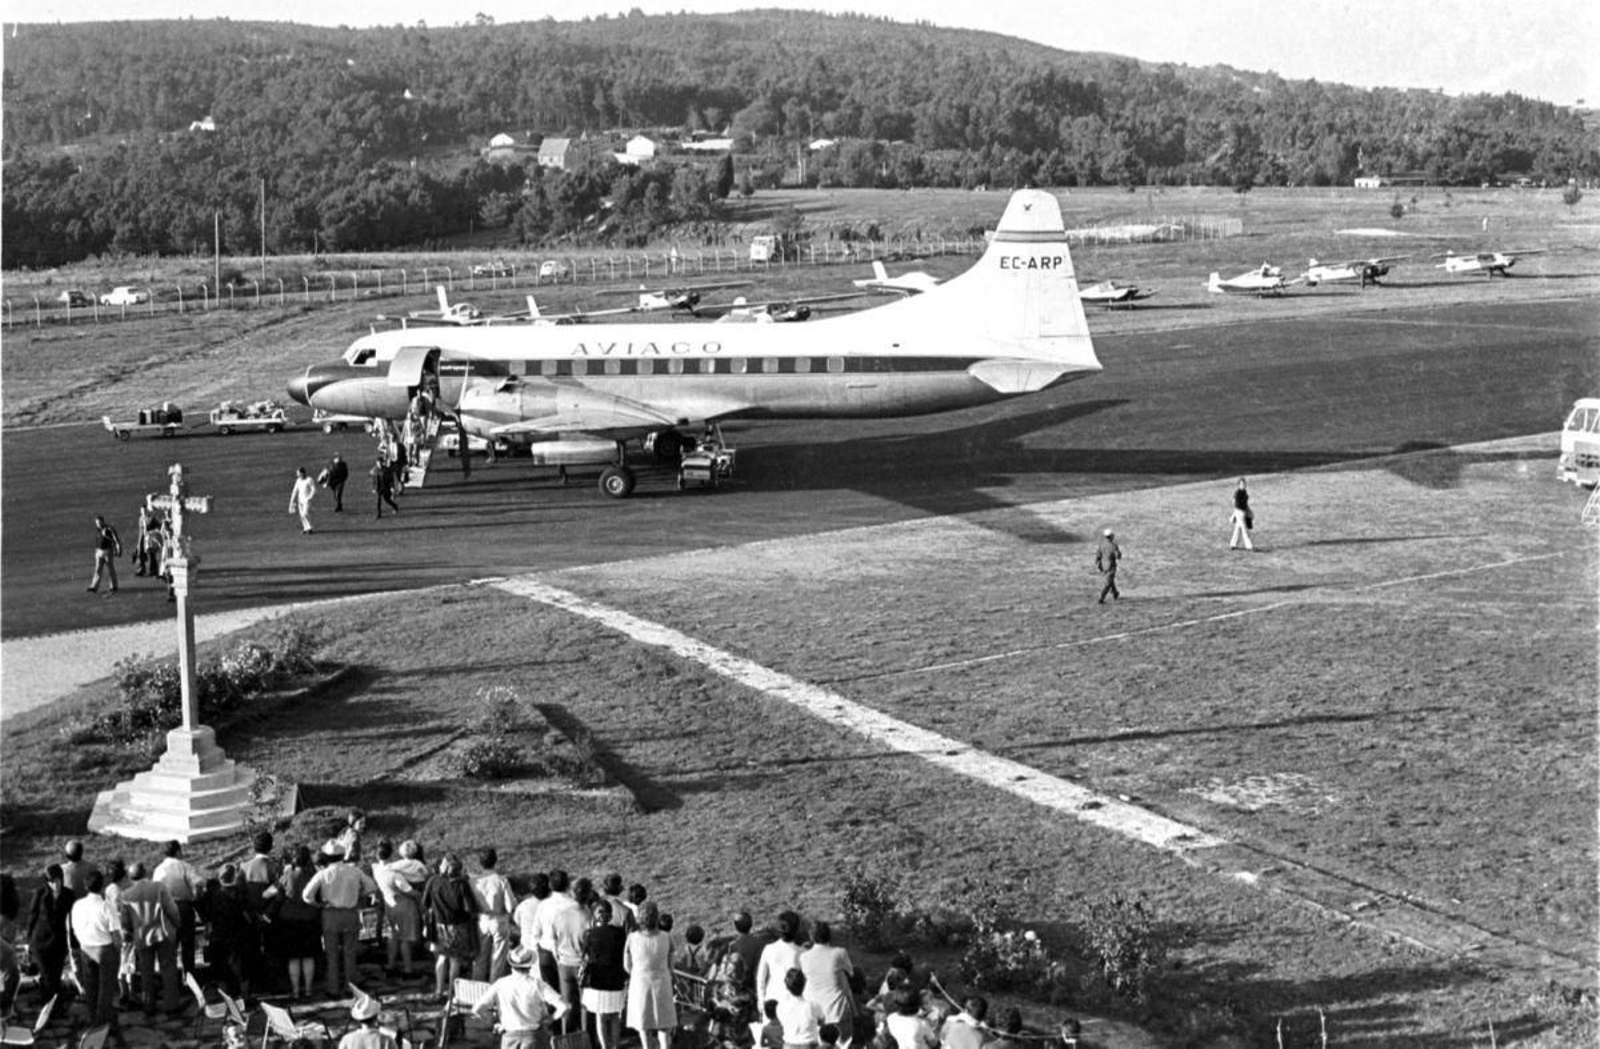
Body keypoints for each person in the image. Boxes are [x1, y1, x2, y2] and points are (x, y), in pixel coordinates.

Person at [301, 845, 378, 997]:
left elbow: (306, 895)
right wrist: (359, 894)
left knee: (331, 954)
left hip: (330, 915)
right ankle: (351, 987)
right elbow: (371, 886)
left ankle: (333, 988)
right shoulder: (354, 871)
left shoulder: (323, 874)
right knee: (350, 952)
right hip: (350, 913)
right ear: (343, 855)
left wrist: (319, 905)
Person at [68, 870, 126, 1045]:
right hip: (105, 949)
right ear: (102, 886)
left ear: (86, 885)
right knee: (106, 992)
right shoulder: (106, 906)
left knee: (92, 990)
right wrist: (118, 949)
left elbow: (74, 928)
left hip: (86, 948)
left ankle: (100, 1022)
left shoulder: (77, 905)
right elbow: (116, 934)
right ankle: (100, 1028)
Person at [473, 945, 568, 1049]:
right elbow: (564, 1007)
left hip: (509, 1037)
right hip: (534, 1037)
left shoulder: (500, 984)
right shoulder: (537, 984)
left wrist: (493, 1021)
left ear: (511, 966)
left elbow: (477, 1009)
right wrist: (550, 1019)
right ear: (530, 966)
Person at [119, 862, 181, 1015]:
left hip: (141, 937)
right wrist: (177, 924)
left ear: (130, 877)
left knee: (146, 973)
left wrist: (129, 932)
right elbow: (172, 909)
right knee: (168, 969)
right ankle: (171, 1005)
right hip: (163, 933)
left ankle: (149, 1005)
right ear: (146, 872)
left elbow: (125, 922)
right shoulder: (159, 887)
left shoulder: (126, 895)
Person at [530, 869, 587, 1032]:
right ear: (568, 884)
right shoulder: (574, 905)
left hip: (548, 953)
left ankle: (556, 1030)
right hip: (568, 952)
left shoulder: (543, 905)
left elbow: (535, 933)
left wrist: (540, 951)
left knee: (552, 995)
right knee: (572, 996)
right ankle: (572, 1029)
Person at [264, 846, 322, 998]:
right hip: (310, 919)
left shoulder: (287, 874)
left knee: (294, 958)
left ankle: (295, 991)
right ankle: (309, 989)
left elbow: (267, 893)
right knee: (309, 957)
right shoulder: (313, 874)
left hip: (289, 922)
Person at [423, 854, 479, 999]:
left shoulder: (433, 881)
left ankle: (438, 990)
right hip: (457, 927)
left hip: (439, 925)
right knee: (455, 960)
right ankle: (451, 993)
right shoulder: (462, 885)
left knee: (441, 958)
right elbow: (471, 908)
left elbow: (425, 903)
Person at [623, 901, 677, 1049]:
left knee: (643, 1022)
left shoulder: (632, 938)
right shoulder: (666, 937)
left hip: (640, 983)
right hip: (662, 982)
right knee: (663, 1024)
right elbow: (671, 965)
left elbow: (627, 966)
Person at [25, 865, 76, 1007]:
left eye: (58, 881)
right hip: (40, 942)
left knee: (55, 975)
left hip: (58, 942)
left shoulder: (68, 895)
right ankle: (52, 1007)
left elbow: (73, 919)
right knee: (47, 976)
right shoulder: (40, 894)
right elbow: (32, 917)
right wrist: (28, 941)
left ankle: (50, 1003)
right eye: (51, 882)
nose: (55, 884)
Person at [579, 900, 627, 1049]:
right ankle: (615, 1046)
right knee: (614, 1016)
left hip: (597, 979)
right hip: (616, 978)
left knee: (600, 1016)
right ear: (611, 915)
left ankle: (605, 1047)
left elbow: (584, 955)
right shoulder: (620, 933)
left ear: (595, 915)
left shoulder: (590, 934)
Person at [372, 840, 422, 980]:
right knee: (405, 938)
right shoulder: (394, 874)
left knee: (393, 937)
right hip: (404, 905)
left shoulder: (376, 870)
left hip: (389, 905)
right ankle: (408, 970)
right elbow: (408, 890)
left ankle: (391, 965)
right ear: (392, 854)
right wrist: (420, 896)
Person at [151, 840, 203, 976]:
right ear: (178, 851)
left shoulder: (158, 870)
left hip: (166, 911)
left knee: (170, 947)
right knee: (188, 946)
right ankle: (189, 977)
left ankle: (170, 979)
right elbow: (198, 882)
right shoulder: (184, 866)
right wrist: (195, 896)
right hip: (184, 907)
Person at [799, 923, 855, 1048]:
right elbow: (850, 973)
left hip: (815, 1011)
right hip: (837, 1010)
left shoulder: (804, 957)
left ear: (811, 937)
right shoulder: (840, 953)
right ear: (829, 936)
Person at [469, 849, 516, 984]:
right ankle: (494, 988)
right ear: (495, 862)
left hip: (481, 920)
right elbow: (510, 906)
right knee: (498, 958)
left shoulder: (474, 881)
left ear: (480, 863)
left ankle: (476, 986)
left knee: (480, 957)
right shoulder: (501, 881)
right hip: (498, 919)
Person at [755, 911, 804, 1018]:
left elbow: (760, 977)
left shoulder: (769, 949)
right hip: (793, 1004)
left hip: (771, 1002)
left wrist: (761, 1000)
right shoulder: (801, 953)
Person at [776, 968, 826, 1049]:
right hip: (810, 1045)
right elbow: (822, 1022)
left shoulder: (780, 1007)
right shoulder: (813, 1005)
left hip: (789, 1044)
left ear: (786, 985)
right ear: (804, 984)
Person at [88, 514, 122, 595]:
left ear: (103, 522)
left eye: (99, 523)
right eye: (97, 523)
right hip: (99, 552)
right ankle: (94, 587)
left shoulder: (109, 529)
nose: (98, 524)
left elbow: (116, 540)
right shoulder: (99, 530)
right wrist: (96, 551)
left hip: (107, 552)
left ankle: (114, 586)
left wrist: (118, 549)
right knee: (97, 570)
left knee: (110, 569)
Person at [1094, 528, 1121, 604]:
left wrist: (1098, 565)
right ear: (1111, 536)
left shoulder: (1101, 545)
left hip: (1103, 566)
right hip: (1111, 566)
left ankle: (1115, 593)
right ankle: (1101, 598)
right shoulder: (1113, 546)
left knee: (1110, 580)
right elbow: (1118, 556)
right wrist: (1118, 552)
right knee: (1108, 583)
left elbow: (1098, 556)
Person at [288, 466, 317, 534]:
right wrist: (292, 501)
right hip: (300, 500)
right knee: (301, 515)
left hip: (307, 500)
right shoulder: (298, 480)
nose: (297, 474)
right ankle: (306, 528)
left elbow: (314, 490)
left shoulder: (309, 479)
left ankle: (309, 528)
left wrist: (309, 498)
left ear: (302, 473)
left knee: (305, 514)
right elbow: (295, 490)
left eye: (298, 473)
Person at [1229, 478, 1255, 551]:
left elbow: (1245, 504)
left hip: (1243, 511)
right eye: (1242, 484)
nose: (1243, 485)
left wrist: (1249, 511)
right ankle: (1249, 546)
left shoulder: (1245, 493)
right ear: (1238, 485)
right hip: (1239, 512)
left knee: (1238, 528)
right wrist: (1235, 513)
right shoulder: (1238, 493)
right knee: (1244, 529)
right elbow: (1234, 503)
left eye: (1244, 484)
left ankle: (1233, 544)